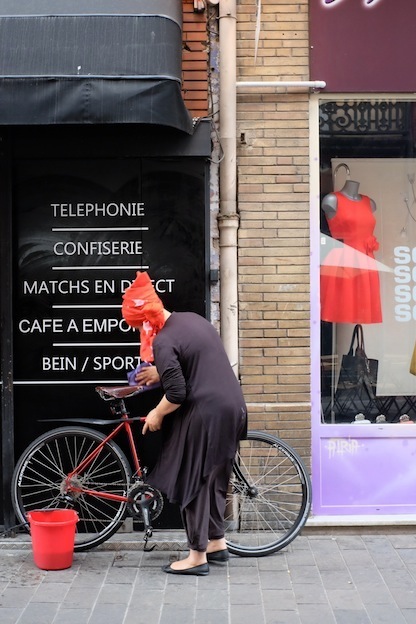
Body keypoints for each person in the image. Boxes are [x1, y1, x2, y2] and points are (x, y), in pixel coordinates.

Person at [122, 271, 247, 576]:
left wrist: (156, 414)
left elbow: (177, 394)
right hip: (232, 407)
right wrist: (161, 373)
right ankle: (217, 542)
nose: (139, 330)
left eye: (137, 324)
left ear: (146, 317)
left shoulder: (164, 341)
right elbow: (196, 365)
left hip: (206, 414)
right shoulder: (191, 320)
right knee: (215, 479)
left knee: (193, 481)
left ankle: (196, 556)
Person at [320, 179, 382, 324]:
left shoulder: (370, 203)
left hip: (366, 260)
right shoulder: (332, 200)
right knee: (342, 305)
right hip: (342, 260)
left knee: (361, 306)